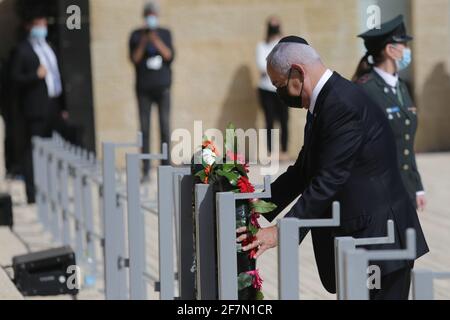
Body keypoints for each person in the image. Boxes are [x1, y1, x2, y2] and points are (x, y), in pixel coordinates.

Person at [237, 36, 429, 300]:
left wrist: (282, 232)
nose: (280, 94)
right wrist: (255, 204)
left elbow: (329, 179)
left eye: (280, 85)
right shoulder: (325, 103)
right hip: (364, 240)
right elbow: (304, 170)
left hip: (381, 243)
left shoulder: (341, 104)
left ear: (298, 72)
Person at [353, 15, 426, 211]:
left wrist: (417, 186)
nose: (407, 50)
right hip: (379, 193)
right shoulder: (365, 89)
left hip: (405, 189)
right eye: (404, 45)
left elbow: (406, 144)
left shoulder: (401, 86)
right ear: (390, 50)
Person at [11, 13, 67, 204]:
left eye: (44, 23)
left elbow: (59, 78)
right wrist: (35, 76)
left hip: (53, 106)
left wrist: (63, 106)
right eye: (38, 24)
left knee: (53, 150)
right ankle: (32, 193)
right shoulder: (22, 50)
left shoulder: (49, 47)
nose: (42, 27)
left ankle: (51, 190)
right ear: (29, 26)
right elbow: (15, 79)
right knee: (32, 152)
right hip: (34, 109)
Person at [129, 1, 174, 180]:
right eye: (148, 15)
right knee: (144, 129)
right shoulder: (135, 35)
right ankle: (146, 168)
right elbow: (135, 58)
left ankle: (165, 166)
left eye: (153, 15)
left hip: (163, 88)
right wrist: (144, 40)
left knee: (164, 127)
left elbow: (169, 55)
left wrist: (155, 39)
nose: (151, 18)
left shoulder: (165, 33)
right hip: (144, 90)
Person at [256, 16, 289, 160]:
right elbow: (261, 66)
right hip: (265, 89)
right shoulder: (262, 46)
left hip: (282, 87)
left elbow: (287, 62)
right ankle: (270, 152)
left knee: (284, 120)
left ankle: (284, 150)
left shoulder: (283, 44)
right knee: (269, 121)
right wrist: (276, 67)